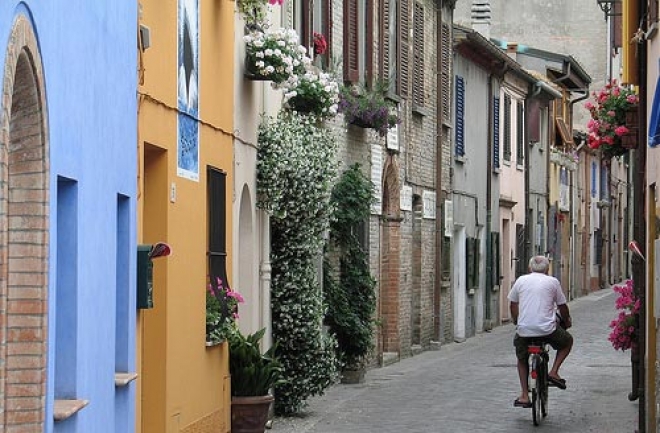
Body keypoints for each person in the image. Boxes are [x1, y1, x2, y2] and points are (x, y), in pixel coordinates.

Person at [508, 255, 573, 408]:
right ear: (548, 268)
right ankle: (554, 371)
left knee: (522, 358)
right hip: (547, 330)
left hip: (524, 330)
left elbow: (513, 304)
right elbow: (562, 306)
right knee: (567, 341)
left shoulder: (521, 280)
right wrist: (567, 320)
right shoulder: (553, 282)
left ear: (530, 268)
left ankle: (524, 394)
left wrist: (517, 321)